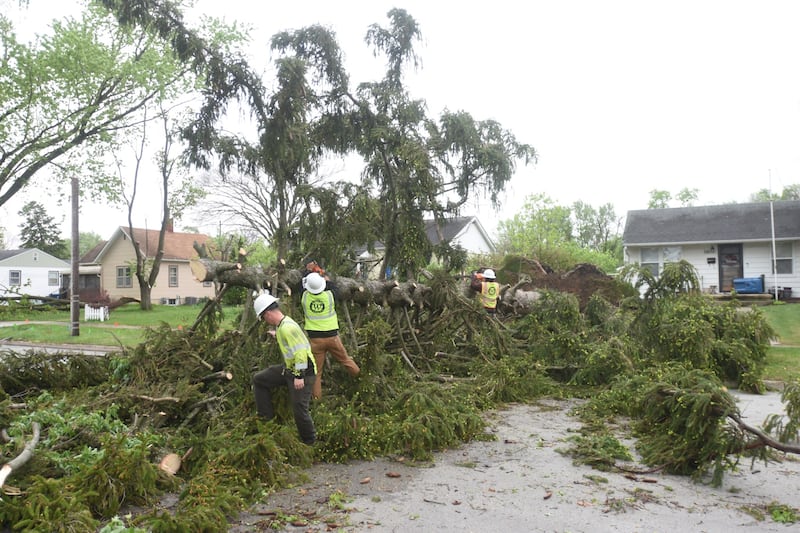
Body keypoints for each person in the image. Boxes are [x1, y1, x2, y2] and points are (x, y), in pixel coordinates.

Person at [252, 293, 318, 445]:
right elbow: (291, 343)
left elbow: (301, 354)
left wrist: (299, 376)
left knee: (299, 409)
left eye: (263, 318)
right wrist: (277, 335)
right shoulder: (282, 326)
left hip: (303, 372)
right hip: (289, 369)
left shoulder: (288, 328)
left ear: (268, 314)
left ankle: (310, 442)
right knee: (260, 379)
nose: (264, 321)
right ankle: (267, 423)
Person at [301, 272, 360, 399]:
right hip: (332, 337)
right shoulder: (330, 296)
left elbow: (303, 285)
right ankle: (362, 380)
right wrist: (326, 280)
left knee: (317, 373)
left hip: (315, 340)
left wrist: (309, 273)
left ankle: (317, 402)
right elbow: (335, 288)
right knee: (346, 360)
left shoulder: (304, 296)